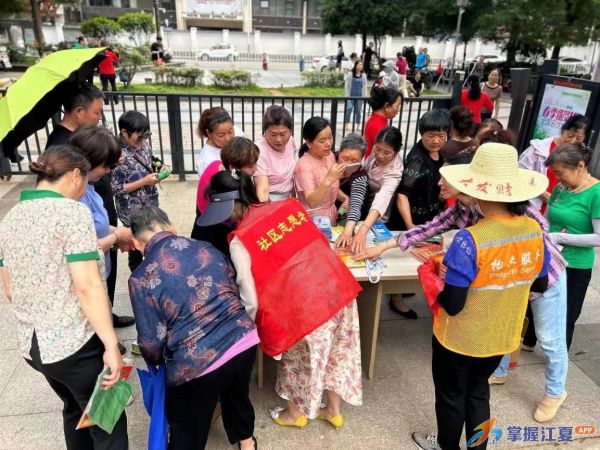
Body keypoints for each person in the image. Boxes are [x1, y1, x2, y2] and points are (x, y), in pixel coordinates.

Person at [357, 146, 571, 424]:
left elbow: (536, 248)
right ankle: (497, 372)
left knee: (549, 339)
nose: (440, 182)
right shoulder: (463, 208)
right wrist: (382, 247)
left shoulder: (516, 217)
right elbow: (430, 228)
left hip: (537, 277)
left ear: (471, 182)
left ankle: (555, 392)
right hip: (502, 282)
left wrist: (442, 283)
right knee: (494, 346)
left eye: (447, 177)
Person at [410, 143, 550, 450]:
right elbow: (539, 285)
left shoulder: (470, 240)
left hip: (459, 339)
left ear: (479, 191)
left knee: (451, 395)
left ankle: (446, 445)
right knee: (478, 393)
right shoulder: (534, 231)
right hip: (500, 335)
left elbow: (453, 305)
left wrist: (437, 281)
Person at [198, 170, 362, 430]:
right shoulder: (289, 207)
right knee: (338, 352)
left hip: (306, 307)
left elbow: (250, 300)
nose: (226, 220)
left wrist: (243, 332)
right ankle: (333, 410)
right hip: (336, 290)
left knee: (298, 362)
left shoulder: (240, 241)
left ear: (235, 204)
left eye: (226, 213)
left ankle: (294, 414)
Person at [0, 146, 128, 449]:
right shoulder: (72, 213)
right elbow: (87, 286)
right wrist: (111, 345)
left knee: (75, 409)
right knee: (107, 421)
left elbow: (10, 288)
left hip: (34, 347)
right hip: (74, 345)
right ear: (75, 175)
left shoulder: (11, 217)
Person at [128, 206, 258, 450]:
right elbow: (231, 287)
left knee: (187, 426)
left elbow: (151, 342)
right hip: (244, 339)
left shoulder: (140, 278)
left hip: (196, 364)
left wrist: (157, 361)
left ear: (136, 243)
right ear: (172, 227)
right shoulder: (205, 248)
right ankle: (247, 444)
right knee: (237, 395)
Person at [68, 127, 136, 338]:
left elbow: (97, 226)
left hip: (100, 269)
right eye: (106, 166)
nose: (108, 171)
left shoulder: (88, 187)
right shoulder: (73, 201)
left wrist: (122, 232)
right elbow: (83, 250)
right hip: (86, 277)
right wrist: (117, 237)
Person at [389, 109, 451, 319]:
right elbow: (402, 195)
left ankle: (405, 288)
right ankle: (396, 298)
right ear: (421, 134)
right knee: (404, 256)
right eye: (431, 135)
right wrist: (410, 227)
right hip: (411, 217)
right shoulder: (417, 158)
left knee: (420, 258)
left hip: (428, 214)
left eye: (441, 135)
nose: (436, 141)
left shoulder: (440, 154)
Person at [546, 144, 600, 351]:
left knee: (565, 314)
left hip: (575, 265)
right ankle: (530, 342)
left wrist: (560, 237)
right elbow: (548, 218)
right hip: (550, 257)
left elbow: (598, 237)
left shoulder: (596, 193)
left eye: (561, 173)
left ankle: (558, 358)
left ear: (580, 166)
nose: (558, 178)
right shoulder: (562, 188)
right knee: (540, 305)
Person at [336, 127, 403, 253]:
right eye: (378, 149)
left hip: (375, 216)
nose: (380, 155)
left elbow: (381, 200)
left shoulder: (394, 171)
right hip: (363, 205)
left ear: (396, 151)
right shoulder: (337, 160)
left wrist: (363, 230)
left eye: (387, 153)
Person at [194, 137, 260, 259]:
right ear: (232, 167)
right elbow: (234, 217)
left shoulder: (215, 166)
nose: (255, 169)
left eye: (255, 163)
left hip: (202, 224)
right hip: (218, 233)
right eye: (250, 166)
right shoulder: (230, 186)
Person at [111, 111, 160, 272]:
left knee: (154, 239)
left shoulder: (143, 144)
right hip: (131, 211)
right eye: (139, 137)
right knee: (135, 247)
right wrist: (144, 181)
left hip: (150, 203)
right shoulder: (114, 153)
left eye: (146, 135)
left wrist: (161, 167)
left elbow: (151, 160)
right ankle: (138, 277)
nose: (144, 140)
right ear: (124, 132)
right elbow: (116, 188)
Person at [519, 114, 591, 212]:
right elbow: (521, 173)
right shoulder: (538, 149)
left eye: (578, 139)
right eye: (570, 136)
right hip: (532, 205)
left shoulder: (580, 156)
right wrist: (540, 192)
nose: (572, 141)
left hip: (559, 208)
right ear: (562, 130)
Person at [294, 117, 347, 225]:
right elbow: (312, 202)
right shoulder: (304, 165)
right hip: (313, 219)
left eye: (330, 137)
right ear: (309, 143)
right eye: (322, 141)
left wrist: (345, 198)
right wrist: (329, 179)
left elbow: (332, 187)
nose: (328, 143)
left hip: (330, 214)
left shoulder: (330, 156)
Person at [254, 105, 296, 202]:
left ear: (290, 131)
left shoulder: (291, 141)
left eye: (283, 134)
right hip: (270, 200)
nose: (278, 140)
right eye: (273, 134)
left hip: (289, 199)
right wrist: (267, 208)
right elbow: (262, 190)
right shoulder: (259, 150)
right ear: (265, 131)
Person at [45, 83, 104, 148]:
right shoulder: (62, 147)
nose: (100, 117)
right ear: (79, 111)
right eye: (97, 112)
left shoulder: (77, 136)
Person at [364, 84, 402, 158]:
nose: (398, 110)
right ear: (387, 106)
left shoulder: (375, 119)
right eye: (397, 105)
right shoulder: (378, 126)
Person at [344, 60, 368, 131]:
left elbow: (365, 86)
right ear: (355, 65)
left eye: (361, 65)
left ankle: (358, 126)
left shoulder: (363, 75)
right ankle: (346, 125)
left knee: (358, 111)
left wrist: (365, 96)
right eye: (359, 64)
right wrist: (347, 96)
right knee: (349, 110)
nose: (360, 66)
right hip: (350, 96)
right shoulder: (350, 74)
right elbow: (347, 86)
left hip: (360, 96)